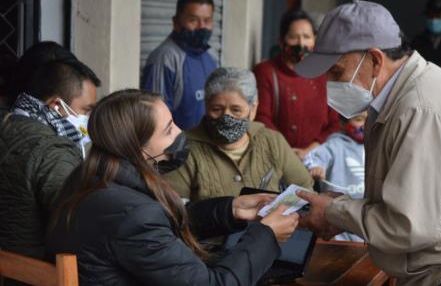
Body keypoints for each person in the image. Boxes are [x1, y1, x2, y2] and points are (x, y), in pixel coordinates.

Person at [294, 0, 441, 285]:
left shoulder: (420, 108)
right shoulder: (394, 99)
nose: (331, 83)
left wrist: (335, 211)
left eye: (337, 72)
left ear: (376, 60)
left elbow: (410, 225)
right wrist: (339, 207)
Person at [46, 89, 299, 285]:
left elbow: (156, 230)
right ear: (139, 148)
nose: (179, 132)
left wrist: (230, 210)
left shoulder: (92, 174)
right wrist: (266, 235)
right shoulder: (131, 214)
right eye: (168, 130)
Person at [0, 59, 100, 261]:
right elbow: (77, 226)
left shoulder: (9, 121)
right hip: (33, 273)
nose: (88, 119)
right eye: (87, 110)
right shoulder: (54, 152)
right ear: (56, 105)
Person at [165, 67, 314, 201]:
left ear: (253, 109)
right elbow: (174, 207)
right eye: (217, 109)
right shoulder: (184, 148)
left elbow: (304, 189)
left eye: (236, 110)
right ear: (206, 106)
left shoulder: (272, 141)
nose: (226, 117)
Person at [253, 10, 340, 160]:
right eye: (293, 37)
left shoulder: (324, 74)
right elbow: (261, 118)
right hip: (275, 156)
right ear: (282, 41)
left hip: (316, 159)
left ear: (315, 41)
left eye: (306, 37)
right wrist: (286, 151)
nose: (301, 43)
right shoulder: (265, 71)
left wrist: (308, 151)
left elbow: (335, 123)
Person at [142, 0, 218, 130]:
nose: (202, 27)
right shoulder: (164, 59)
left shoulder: (211, 57)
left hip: (205, 148)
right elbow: (155, 120)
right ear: (176, 22)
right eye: (193, 20)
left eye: (207, 21)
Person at [303, 111, 367, 242]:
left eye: (368, 120)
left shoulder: (374, 145)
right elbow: (313, 157)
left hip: (363, 215)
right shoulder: (335, 145)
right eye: (359, 119)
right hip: (338, 215)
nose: (365, 125)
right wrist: (317, 167)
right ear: (342, 124)